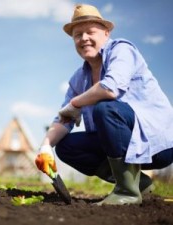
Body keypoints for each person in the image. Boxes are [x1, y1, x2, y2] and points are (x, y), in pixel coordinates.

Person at [35, 4, 173, 205]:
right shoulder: (78, 79)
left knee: (106, 108)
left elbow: (110, 88)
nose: (84, 38)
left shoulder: (122, 50)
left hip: (156, 144)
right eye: (77, 35)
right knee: (66, 147)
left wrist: (76, 102)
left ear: (106, 33)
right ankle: (138, 184)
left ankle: (127, 192)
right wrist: (45, 147)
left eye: (90, 32)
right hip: (122, 143)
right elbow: (65, 117)